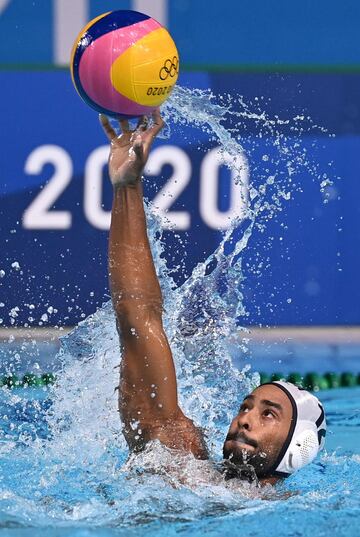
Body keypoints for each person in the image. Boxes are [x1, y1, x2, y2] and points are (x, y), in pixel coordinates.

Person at [99, 110, 327, 487]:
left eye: (268, 414)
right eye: (246, 406)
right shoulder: (184, 459)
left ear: (296, 444)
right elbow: (136, 316)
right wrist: (127, 187)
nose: (245, 418)